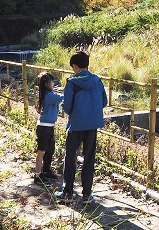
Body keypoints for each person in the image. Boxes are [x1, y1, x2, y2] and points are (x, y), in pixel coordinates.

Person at [54, 51, 107, 206]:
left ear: (75, 66)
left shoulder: (71, 82)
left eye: (73, 67)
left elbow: (67, 107)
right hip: (93, 124)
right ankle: (86, 195)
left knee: (70, 157)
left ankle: (68, 193)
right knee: (89, 158)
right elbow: (104, 101)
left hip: (76, 124)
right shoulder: (97, 80)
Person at [34, 71, 62, 185]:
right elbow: (62, 98)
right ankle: (37, 175)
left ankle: (46, 170)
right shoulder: (49, 96)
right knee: (41, 151)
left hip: (48, 126)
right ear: (47, 83)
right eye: (52, 81)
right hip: (44, 127)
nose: (53, 83)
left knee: (50, 150)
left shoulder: (47, 94)